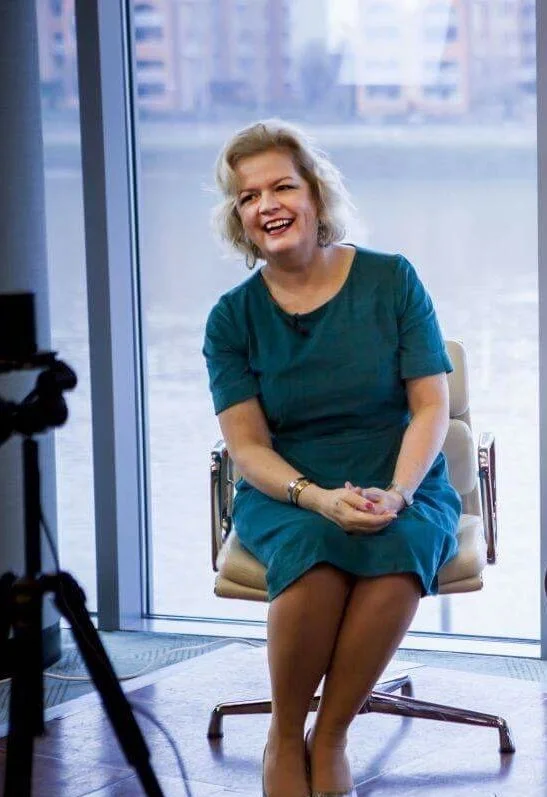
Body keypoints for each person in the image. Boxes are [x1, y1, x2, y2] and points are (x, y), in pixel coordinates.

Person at [202, 120, 460, 797]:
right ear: (238, 216)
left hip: (398, 475)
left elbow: (430, 405)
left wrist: (398, 492)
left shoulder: (391, 279)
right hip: (287, 487)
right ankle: (286, 735)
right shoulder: (230, 319)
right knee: (316, 548)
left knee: (399, 546)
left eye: (281, 185)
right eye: (247, 196)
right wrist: (315, 495)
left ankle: (333, 734)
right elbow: (247, 444)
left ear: (314, 193)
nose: (266, 205)